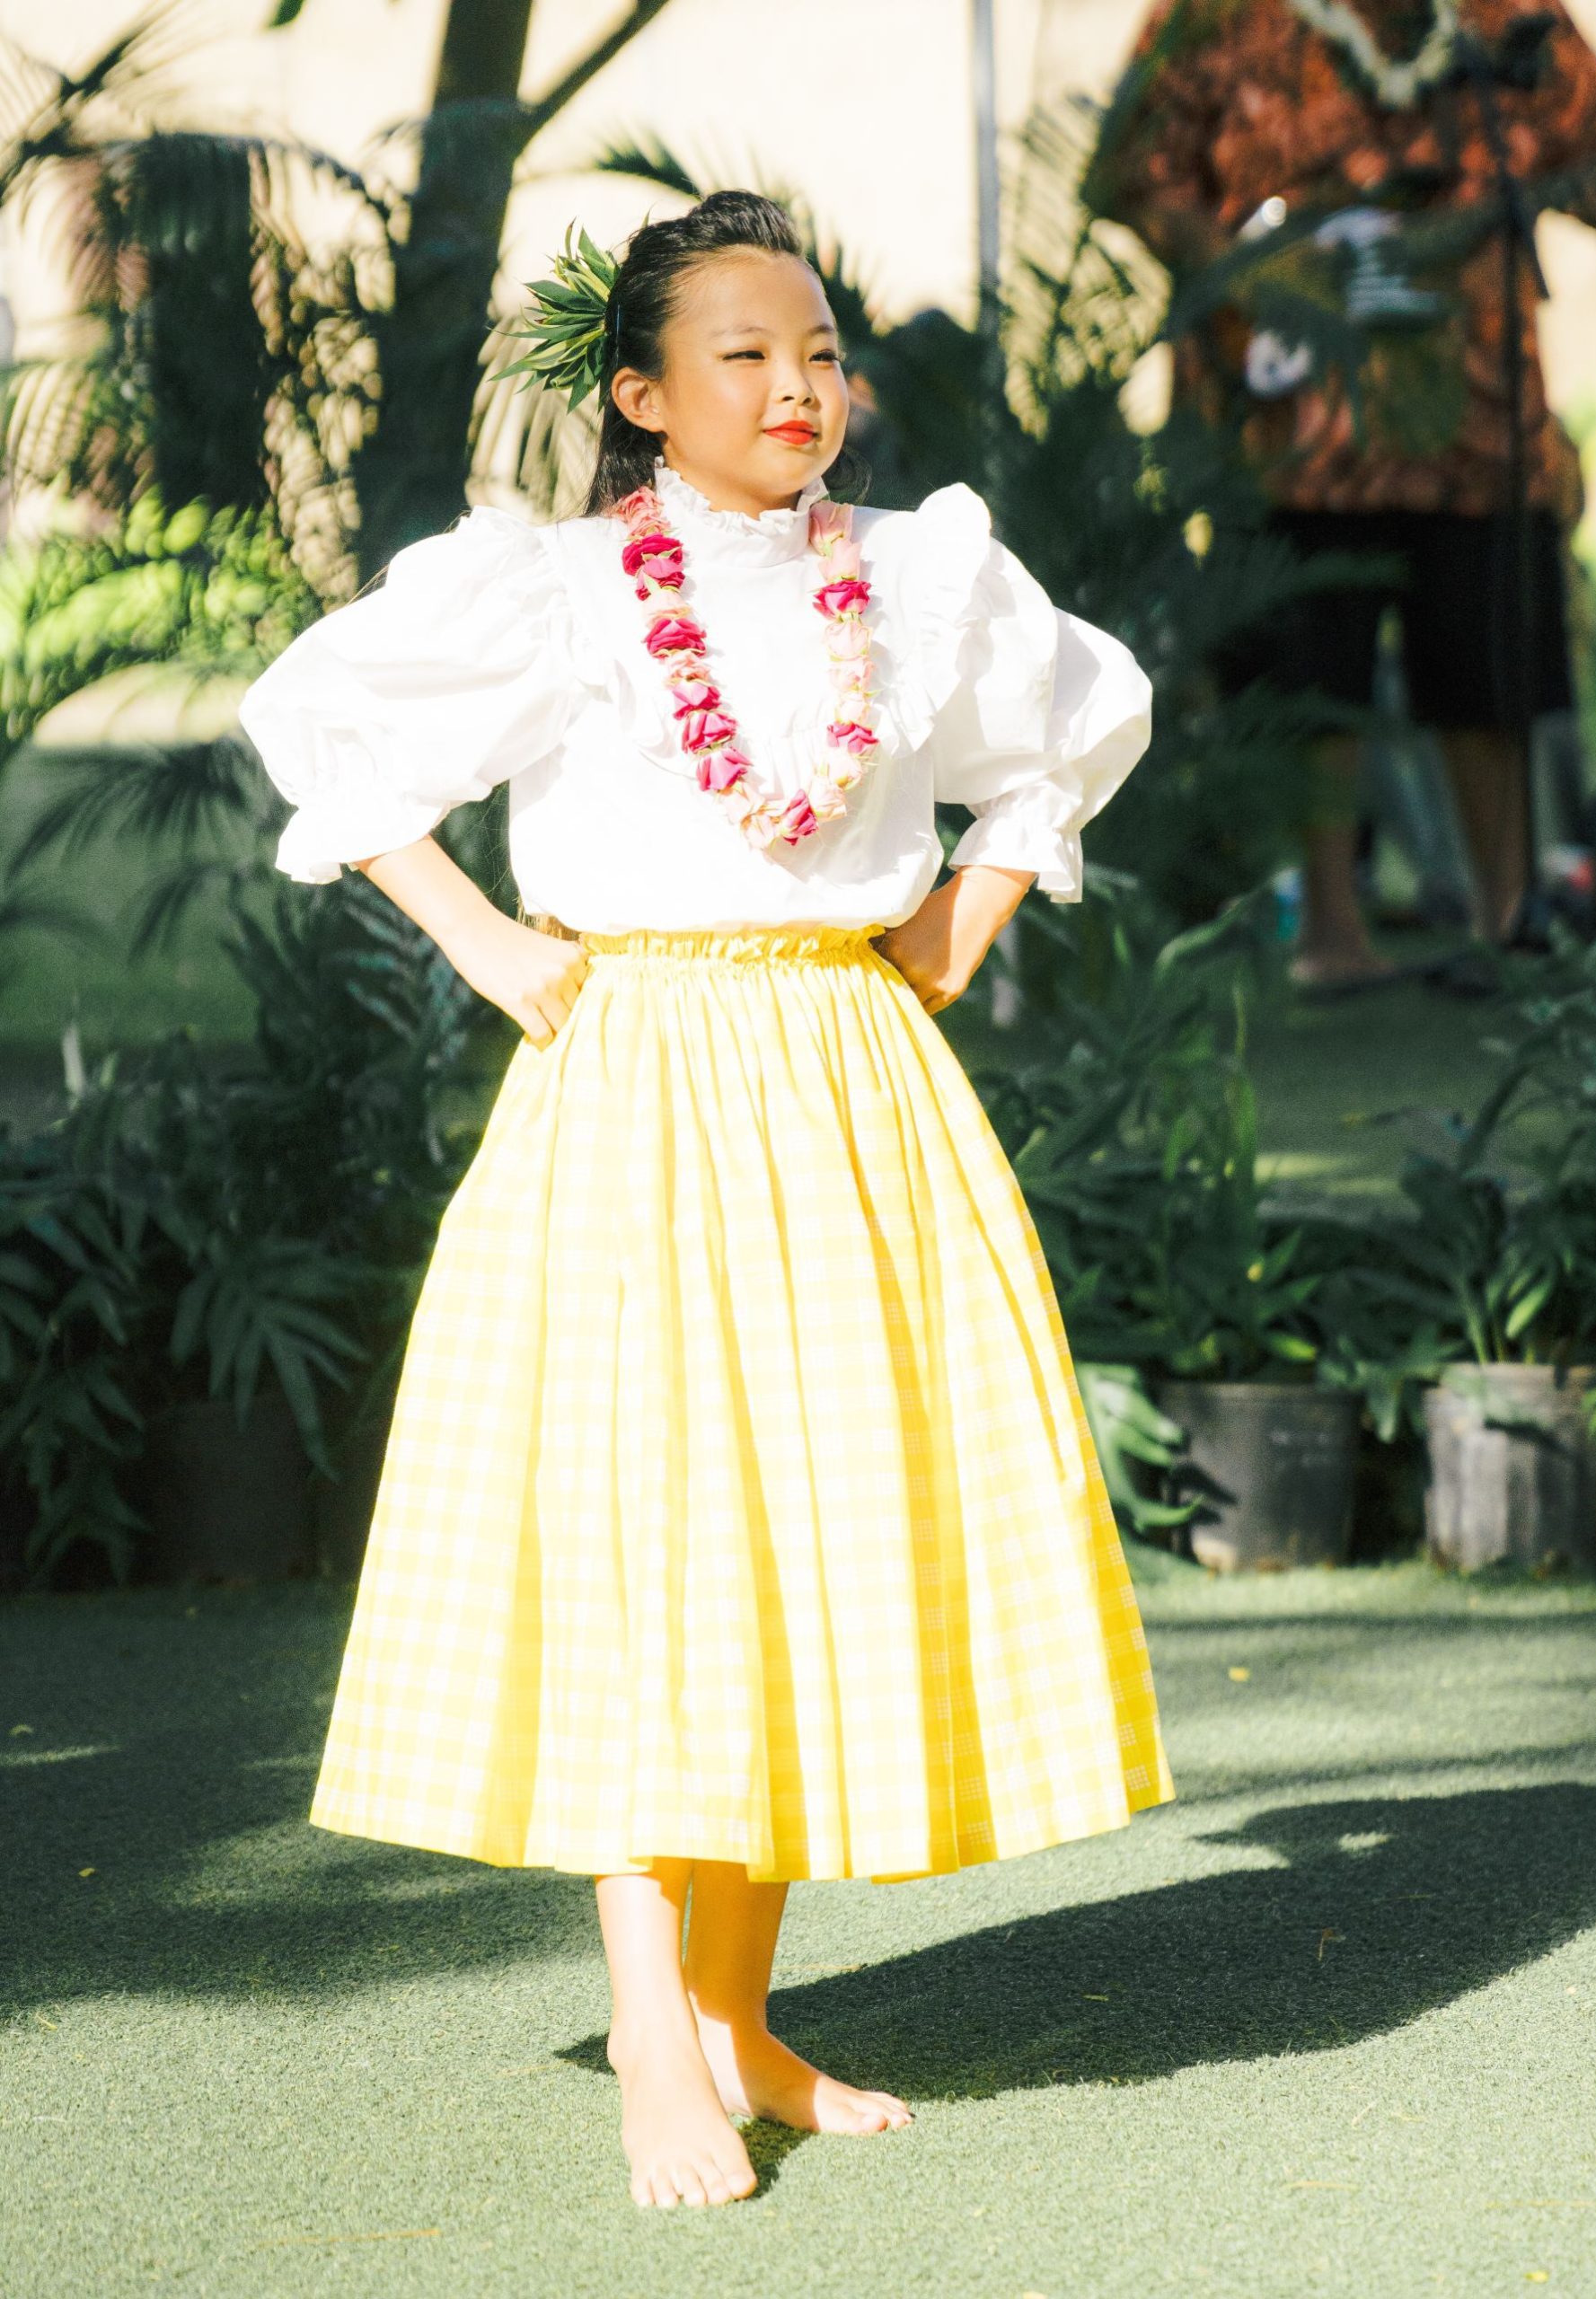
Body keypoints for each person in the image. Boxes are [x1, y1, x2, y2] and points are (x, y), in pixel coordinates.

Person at [236, 191, 1174, 2212]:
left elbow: (1077, 719)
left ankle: (745, 2012)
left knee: (809, 1537)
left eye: (820, 348)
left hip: (849, 1081)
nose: (799, 385)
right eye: (744, 355)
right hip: (641, 1078)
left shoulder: (912, 581)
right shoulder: (567, 591)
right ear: (645, 396)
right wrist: (485, 940)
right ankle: (653, 2026)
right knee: (657, 1542)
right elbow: (321, 715)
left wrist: (960, 921)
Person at [1088, 0, 1596, 991]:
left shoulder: (1508, 20)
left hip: (1472, 419)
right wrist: (1255, 274)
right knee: (1311, 677)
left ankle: (1507, 917)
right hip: (1288, 422)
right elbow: (1130, 176)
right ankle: (1329, 935)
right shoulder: (1218, 17)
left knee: (1485, 662)